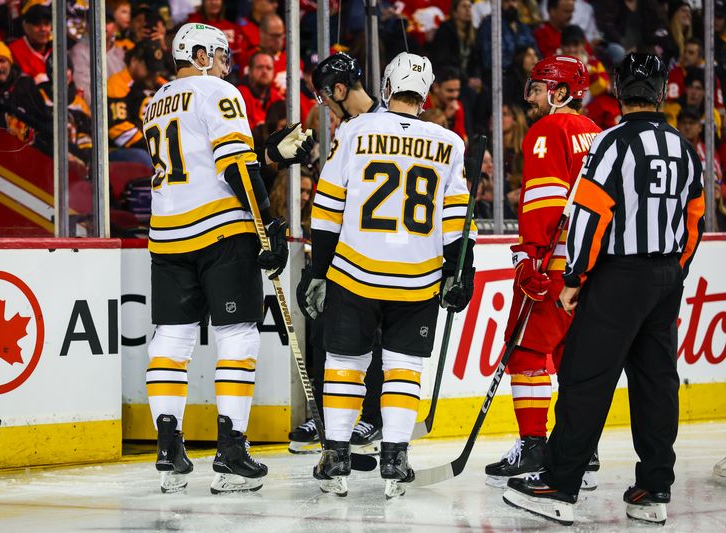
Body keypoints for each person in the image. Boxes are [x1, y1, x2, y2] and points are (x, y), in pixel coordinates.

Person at [503, 52, 705, 527]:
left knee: (584, 377)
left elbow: (591, 214)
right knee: (656, 383)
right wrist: (675, 268)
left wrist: (574, 278)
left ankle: (559, 482)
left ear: (618, 91)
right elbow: (695, 216)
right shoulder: (683, 146)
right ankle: (654, 488)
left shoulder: (612, 142)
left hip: (617, 276)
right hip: (664, 280)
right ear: (660, 93)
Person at [139, 22, 310, 494]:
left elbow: (199, 161)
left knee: (170, 339)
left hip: (168, 234)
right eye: (218, 54)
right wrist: (267, 226)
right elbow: (234, 165)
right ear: (197, 54)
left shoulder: (154, 103)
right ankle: (231, 450)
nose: (224, 63)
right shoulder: (218, 89)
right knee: (237, 336)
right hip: (221, 233)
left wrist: (270, 152)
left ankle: (168, 447)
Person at [302, 51, 476, 498]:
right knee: (403, 366)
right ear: (426, 94)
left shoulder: (354, 130)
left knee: (344, 364)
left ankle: (337, 457)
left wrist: (318, 271)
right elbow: (456, 218)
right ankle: (395, 457)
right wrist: (462, 272)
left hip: (355, 270)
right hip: (417, 276)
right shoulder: (450, 143)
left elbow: (326, 209)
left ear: (385, 88)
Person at [484, 56, 602, 488]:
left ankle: (534, 444)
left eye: (536, 88)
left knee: (528, 351)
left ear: (560, 93)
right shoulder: (597, 134)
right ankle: (580, 447)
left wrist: (528, 259)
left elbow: (545, 201)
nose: (528, 97)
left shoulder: (547, 130)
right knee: (575, 357)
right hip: (593, 266)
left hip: (553, 266)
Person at [288, 52, 387, 457]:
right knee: (327, 330)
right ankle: (329, 415)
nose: (325, 107)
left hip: (379, 254)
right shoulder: (349, 129)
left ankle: (372, 417)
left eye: (326, 99)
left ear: (341, 90)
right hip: (343, 251)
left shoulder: (376, 127)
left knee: (374, 340)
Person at [107, 39, 166, 167]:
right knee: (144, 158)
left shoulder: (160, 83)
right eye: (149, 68)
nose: (154, 74)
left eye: (156, 70)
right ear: (134, 61)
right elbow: (119, 130)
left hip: (159, 146)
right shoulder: (117, 83)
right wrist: (156, 148)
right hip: (126, 149)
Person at [8, 0, 52, 86]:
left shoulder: (56, 49)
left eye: (46, 24)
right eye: (37, 24)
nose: (43, 29)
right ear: (26, 27)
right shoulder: (13, 51)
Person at [236, 51, 282, 131]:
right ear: (249, 70)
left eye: (269, 68)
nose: (264, 71)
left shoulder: (277, 98)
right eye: (260, 67)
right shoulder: (238, 95)